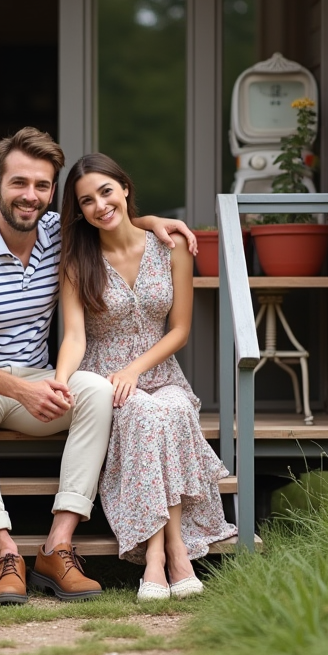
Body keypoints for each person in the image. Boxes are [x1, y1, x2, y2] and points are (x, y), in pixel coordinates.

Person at [0, 127, 196, 606]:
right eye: (19, 184)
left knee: (93, 388)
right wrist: (21, 390)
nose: (31, 197)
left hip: (33, 380)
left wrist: (155, 222)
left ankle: (58, 547)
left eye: (42, 186)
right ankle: (4, 552)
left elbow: (110, 218)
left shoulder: (57, 233)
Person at [54, 153, 237, 602]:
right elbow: (75, 336)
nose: (100, 205)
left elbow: (180, 330)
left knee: (172, 408)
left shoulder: (169, 246)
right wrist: (61, 382)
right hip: (105, 379)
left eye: (106, 191)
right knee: (142, 412)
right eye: (87, 201)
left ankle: (163, 552)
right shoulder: (78, 261)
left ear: (124, 189)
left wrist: (136, 369)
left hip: (161, 373)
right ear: (79, 211)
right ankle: (169, 555)